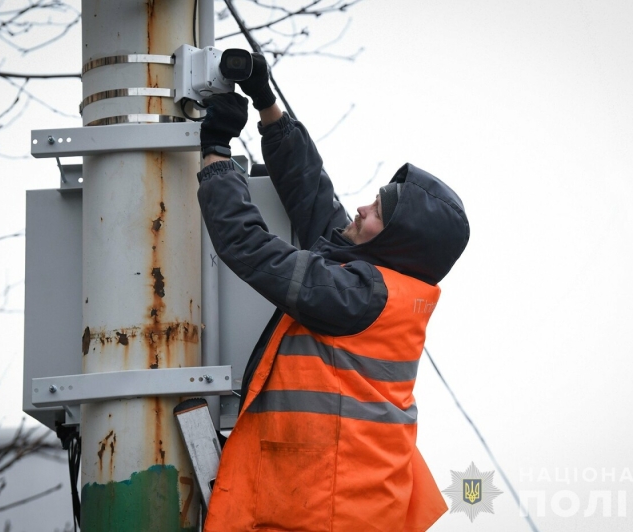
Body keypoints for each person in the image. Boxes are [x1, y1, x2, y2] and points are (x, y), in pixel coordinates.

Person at [195, 54, 470, 532]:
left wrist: (216, 153)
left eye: (378, 210)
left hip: (326, 508)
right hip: (341, 500)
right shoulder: (382, 284)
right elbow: (315, 200)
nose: (362, 208)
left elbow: (249, 248)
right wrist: (266, 104)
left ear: (398, 240)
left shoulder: (358, 294)